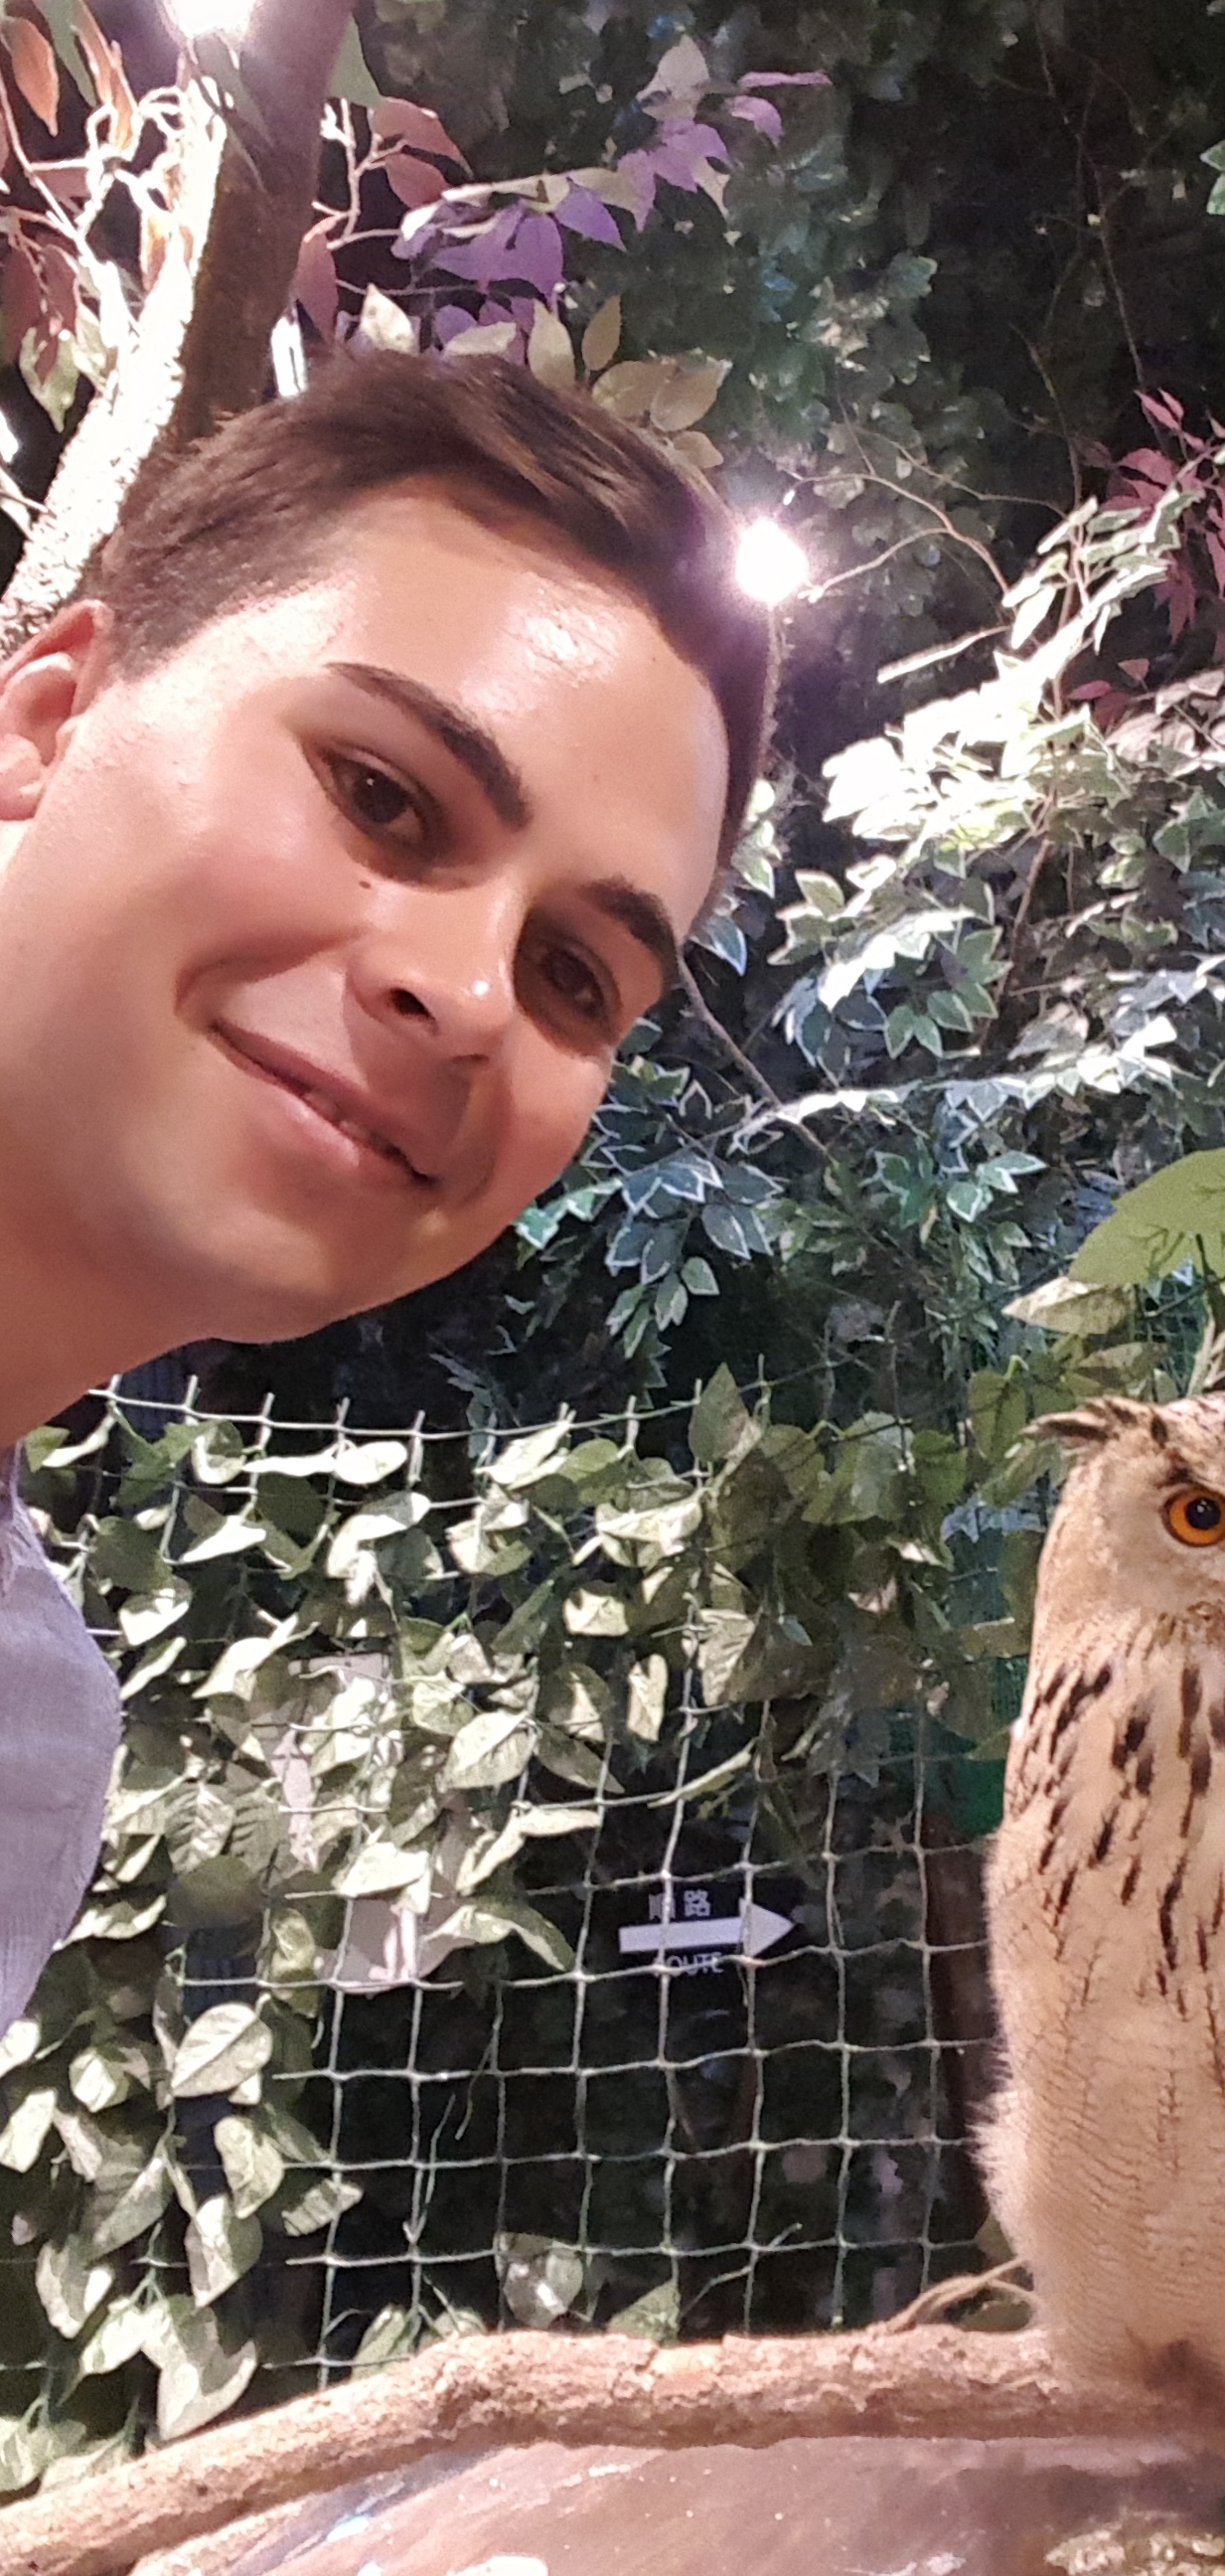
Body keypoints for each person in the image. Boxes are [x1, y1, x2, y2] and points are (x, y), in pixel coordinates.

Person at [0, 350, 774, 2029]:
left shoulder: (22, 1742)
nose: (473, 994)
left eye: (573, 975)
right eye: (380, 796)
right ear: (48, 717)